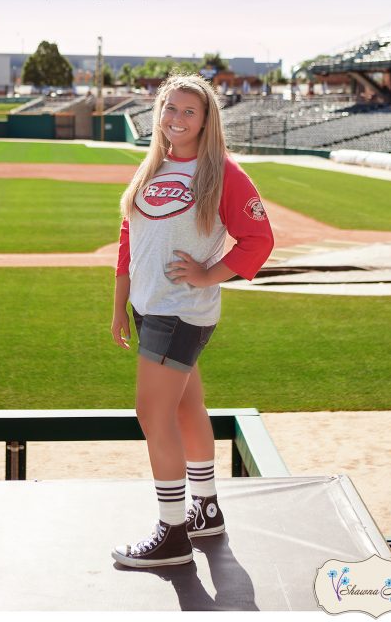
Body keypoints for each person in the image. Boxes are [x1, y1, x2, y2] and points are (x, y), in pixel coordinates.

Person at [110, 73, 274, 568]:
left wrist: (208, 275)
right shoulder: (153, 167)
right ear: (158, 114)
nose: (177, 119)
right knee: (186, 409)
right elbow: (129, 239)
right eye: (169, 109)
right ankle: (205, 509)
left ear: (206, 120)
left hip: (179, 313)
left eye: (189, 111)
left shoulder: (220, 171)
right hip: (149, 307)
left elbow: (259, 240)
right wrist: (119, 303)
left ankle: (172, 532)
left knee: (152, 415)